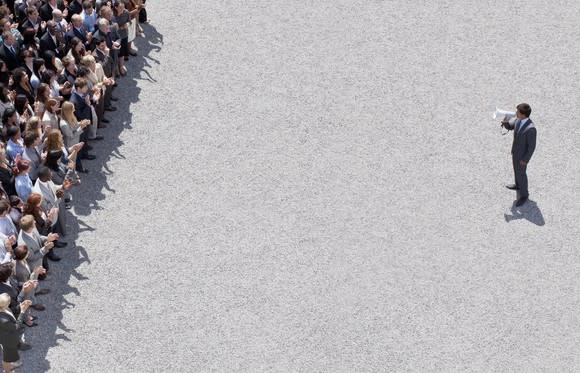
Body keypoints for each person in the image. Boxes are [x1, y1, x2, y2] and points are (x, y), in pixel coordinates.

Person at [501, 103, 537, 207]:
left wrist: (525, 160)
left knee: (521, 174)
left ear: (523, 115)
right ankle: (517, 185)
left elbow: (531, 147)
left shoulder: (531, 129)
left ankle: (524, 195)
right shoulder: (518, 120)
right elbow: (512, 126)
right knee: (516, 170)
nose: (515, 113)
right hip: (515, 153)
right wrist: (506, 123)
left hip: (522, 158)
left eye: (517, 112)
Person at [0, 293, 32, 373]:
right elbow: (16, 327)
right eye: (9, 302)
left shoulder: (3, 308)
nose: (10, 303)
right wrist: (22, 312)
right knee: (6, 359)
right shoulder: (3, 320)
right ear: (5, 304)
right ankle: (7, 371)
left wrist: (20, 306)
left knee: (11, 355)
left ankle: (12, 363)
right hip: (7, 341)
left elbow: (11, 311)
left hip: (10, 338)